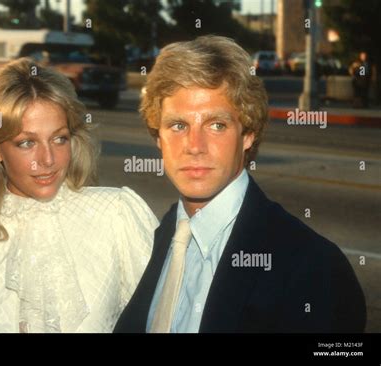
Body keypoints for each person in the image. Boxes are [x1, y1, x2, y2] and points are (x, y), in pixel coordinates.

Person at [114, 35, 366, 333]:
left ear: (248, 134)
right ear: (158, 138)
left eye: (216, 125)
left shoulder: (313, 267)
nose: (195, 146)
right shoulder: (159, 237)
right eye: (178, 125)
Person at [0, 58, 158, 333]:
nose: (47, 159)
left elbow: (164, 321)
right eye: (27, 143)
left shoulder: (116, 213)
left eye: (59, 138)